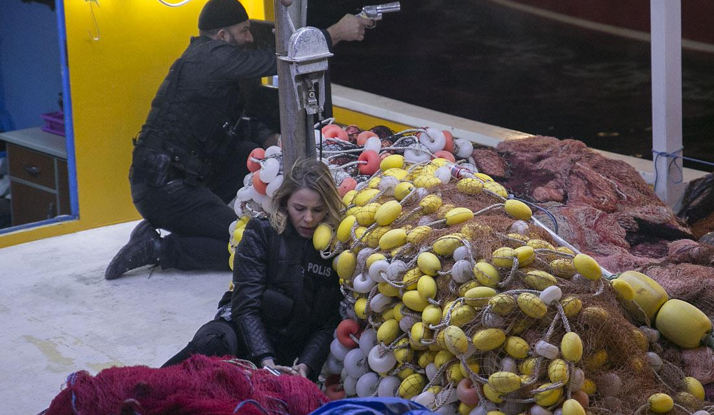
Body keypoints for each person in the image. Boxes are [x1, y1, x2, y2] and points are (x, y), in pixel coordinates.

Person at [105, 0, 372, 280]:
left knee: (249, 153)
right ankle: (159, 248)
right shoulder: (211, 58)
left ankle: (244, 223)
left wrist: (271, 138)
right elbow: (278, 62)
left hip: (176, 177)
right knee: (246, 246)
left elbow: (234, 123)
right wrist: (335, 33)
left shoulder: (207, 61)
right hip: (165, 188)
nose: (249, 38)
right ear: (222, 36)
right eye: (244, 31)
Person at [161, 158, 343, 380]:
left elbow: (326, 324)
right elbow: (245, 307)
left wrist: (306, 365)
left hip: (284, 358)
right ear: (285, 203)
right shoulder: (262, 233)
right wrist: (264, 360)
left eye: (318, 210)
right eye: (300, 208)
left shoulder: (332, 250)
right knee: (211, 344)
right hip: (239, 338)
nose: (308, 218)